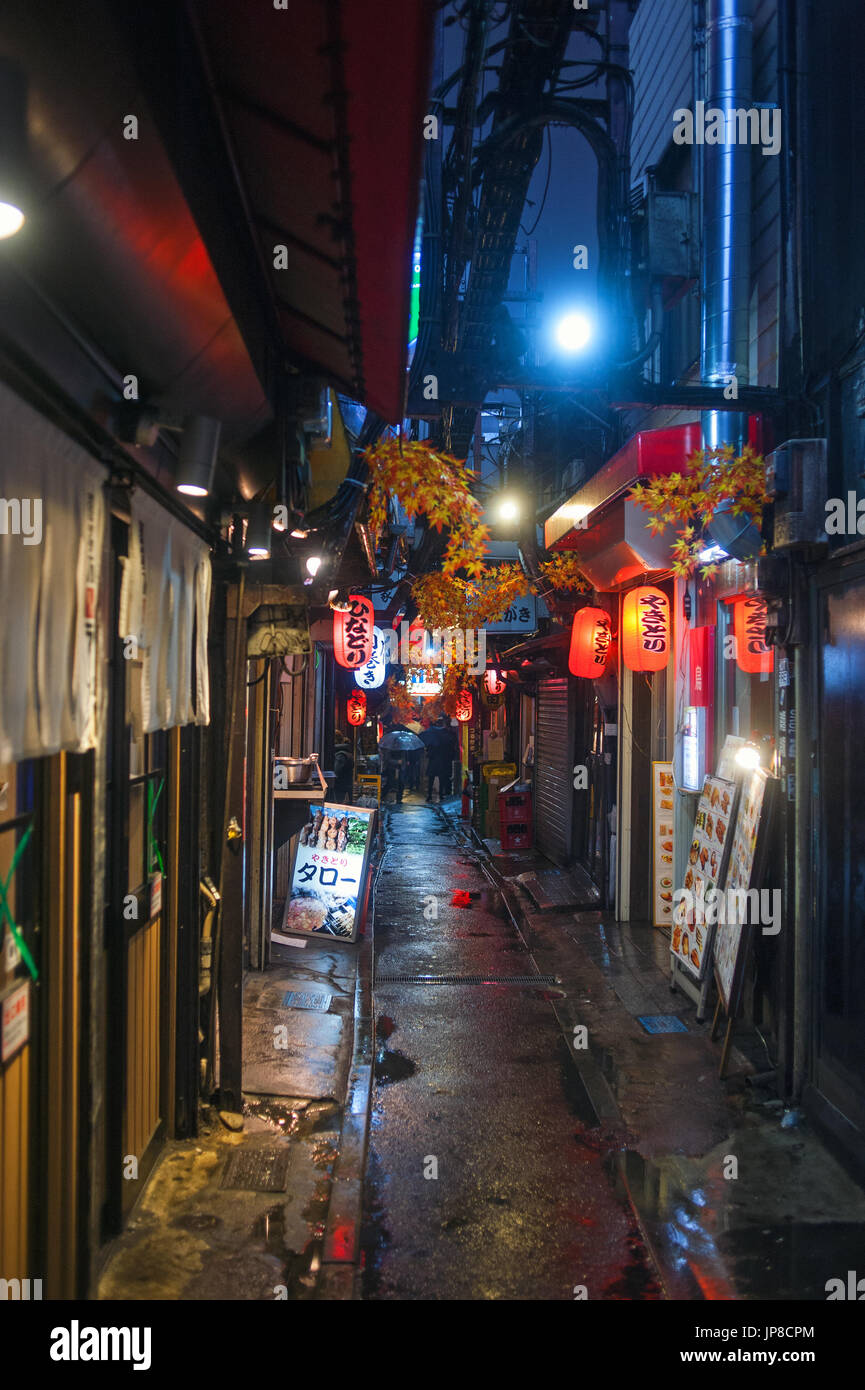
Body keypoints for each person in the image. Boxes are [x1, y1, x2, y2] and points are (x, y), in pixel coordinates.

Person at [425, 715, 460, 802]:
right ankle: (440, 794)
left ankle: (429, 795)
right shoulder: (446, 736)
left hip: (433, 761)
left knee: (431, 779)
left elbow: (429, 751)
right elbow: (450, 749)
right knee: (441, 778)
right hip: (442, 761)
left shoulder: (432, 736)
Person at [332, 732, 354, 804]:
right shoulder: (345, 752)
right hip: (345, 787)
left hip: (340, 788)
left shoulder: (340, 755)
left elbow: (336, 772)